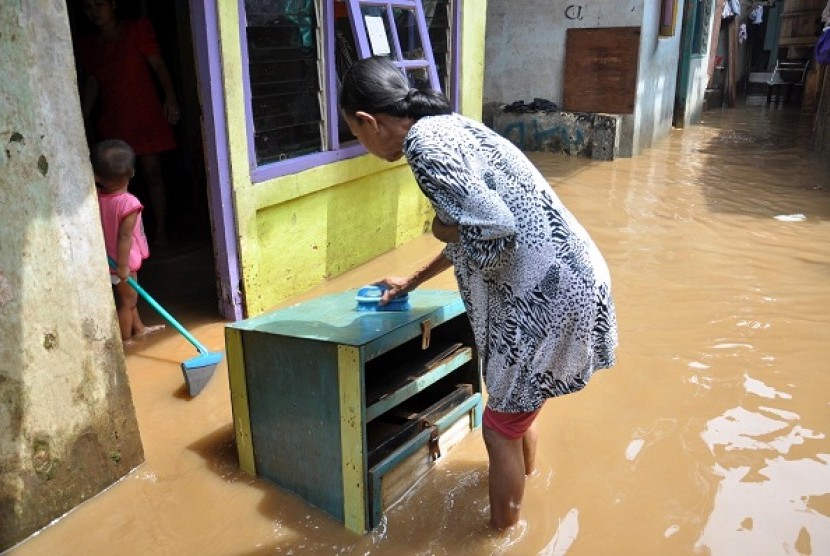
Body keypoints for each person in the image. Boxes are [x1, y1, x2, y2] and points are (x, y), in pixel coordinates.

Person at [339, 56, 618, 530]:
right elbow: (482, 227)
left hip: (544, 297)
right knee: (515, 412)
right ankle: (530, 483)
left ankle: (500, 535)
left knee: (498, 428)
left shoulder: (423, 149)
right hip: (574, 275)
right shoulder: (449, 126)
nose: (363, 145)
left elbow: (492, 229)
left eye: (356, 134)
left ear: (370, 122)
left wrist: (442, 228)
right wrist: (414, 279)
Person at [79, 0, 180, 247]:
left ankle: (161, 232)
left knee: (153, 173)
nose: (94, 11)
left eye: (99, 4)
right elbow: (93, 84)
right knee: (118, 184)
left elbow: (158, 65)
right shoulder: (90, 45)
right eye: (88, 6)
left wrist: (171, 97)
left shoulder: (135, 30)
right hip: (114, 120)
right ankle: (128, 242)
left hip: (144, 114)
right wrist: (80, 119)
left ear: (113, 5)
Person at [93, 139, 164, 346]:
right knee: (127, 302)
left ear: (97, 177)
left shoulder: (97, 197)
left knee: (130, 299)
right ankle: (125, 340)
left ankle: (139, 329)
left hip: (111, 261)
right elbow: (124, 237)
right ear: (132, 172)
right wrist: (123, 267)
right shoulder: (129, 204)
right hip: (121, 264)